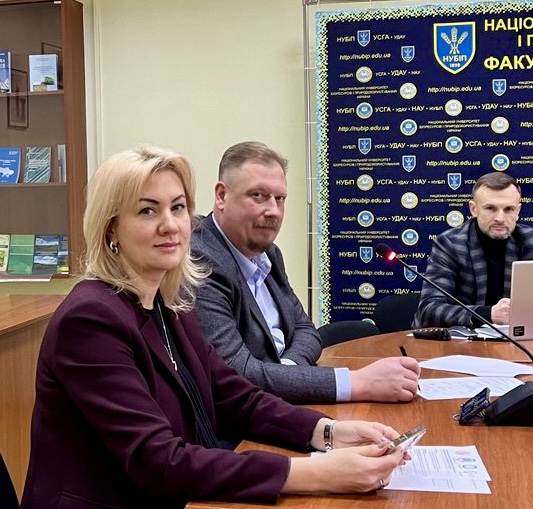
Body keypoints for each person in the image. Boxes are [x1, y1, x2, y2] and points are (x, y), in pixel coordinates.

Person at [20, 146, 408, 509]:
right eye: (147, 211)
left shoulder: (171, 303)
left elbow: (236, 398)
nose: (170, 225)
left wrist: (327, 432)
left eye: (178, 207)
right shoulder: (90, 320)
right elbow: (158, 461)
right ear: (111, 229)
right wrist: (316, 473)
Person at [190, 141, 420, 404]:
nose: (273, 211)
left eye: (280, 198)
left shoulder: (269, 254)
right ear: (221, 196)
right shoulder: (201, 260)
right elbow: (237, 375)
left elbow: (306, 330)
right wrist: (357, 382)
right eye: (258, 196)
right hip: (241, 419)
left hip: (283, 402)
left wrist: (288, 372)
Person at [413, 171, 533, 328]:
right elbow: (429, 310)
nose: (500, 218)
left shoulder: (529, 241)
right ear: (473, 209)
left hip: (517, 338)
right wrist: (488, 314)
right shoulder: (450, 244)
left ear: (518, 211)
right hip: (459, 338)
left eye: (509, 209)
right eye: (490, 208)